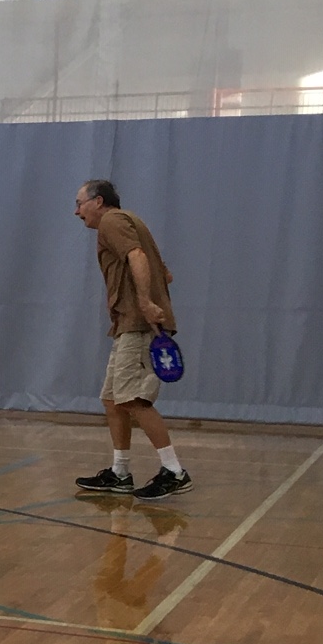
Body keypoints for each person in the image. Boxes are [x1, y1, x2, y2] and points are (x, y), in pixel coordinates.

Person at [71, 180, 192, 500]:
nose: (76, 211)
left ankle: (175, 471)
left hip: (138, 324)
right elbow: (165, 273)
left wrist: (144, 302)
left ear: (98, 202)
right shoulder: (132, 221)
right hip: (127, 323)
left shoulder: (112, 221)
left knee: (133, 399)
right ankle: (120, 473)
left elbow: (137, 256)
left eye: (79, 203)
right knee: (113, 399)